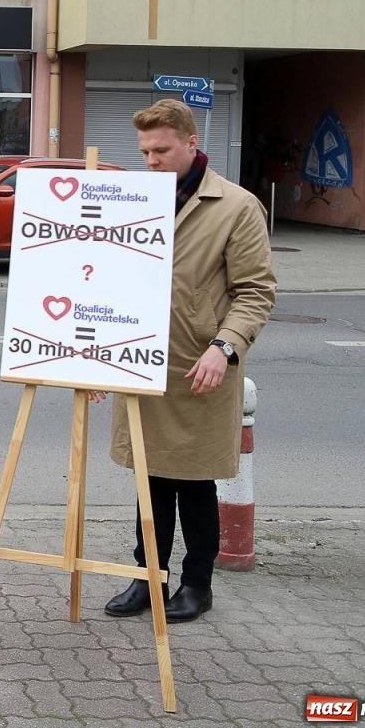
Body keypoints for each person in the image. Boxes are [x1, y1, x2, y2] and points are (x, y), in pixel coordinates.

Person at [104, 98, 276, 624]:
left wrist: (224, 349)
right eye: (144, 152)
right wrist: (95, 358)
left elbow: (255, 292)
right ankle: (146, 577)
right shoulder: (135, 201)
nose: (150, 160)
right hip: (141, 362)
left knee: (195, 481)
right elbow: (111, 278)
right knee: (149, 479)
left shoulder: (236, 206)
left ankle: (196, 584)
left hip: (201, 366)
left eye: (161, 150)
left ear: (191, 143)